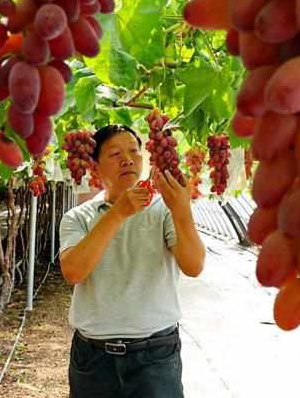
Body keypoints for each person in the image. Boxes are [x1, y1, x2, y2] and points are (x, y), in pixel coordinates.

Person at [59, 125, 206, 398]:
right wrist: (118, 213)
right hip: (93, 359)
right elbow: (73, 271)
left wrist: (182, 212)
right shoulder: (77, 218)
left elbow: (194, 266)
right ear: (95, 167)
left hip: (156, 357)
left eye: (134, 152)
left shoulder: (164, 210)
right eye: (115, 153)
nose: (127, 159)